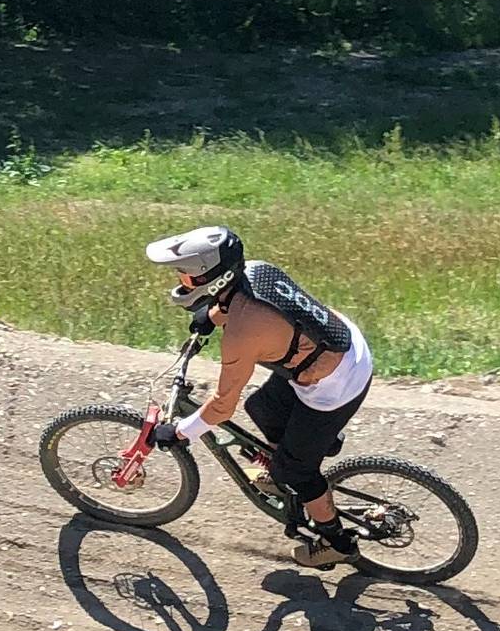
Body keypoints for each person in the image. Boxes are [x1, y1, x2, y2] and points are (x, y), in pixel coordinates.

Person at [143, 225, 375, 568]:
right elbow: (250, 301)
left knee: (296, 472)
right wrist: (211, 315)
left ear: (213, 278)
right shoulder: (256, 270)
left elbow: (222, 406)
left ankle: (337, 541)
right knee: (261, 408)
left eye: (188, 276)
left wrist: (179, 432)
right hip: (340, 345)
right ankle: (311, 451)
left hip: (337, 383)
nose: (182, 281)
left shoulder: (241, 336)